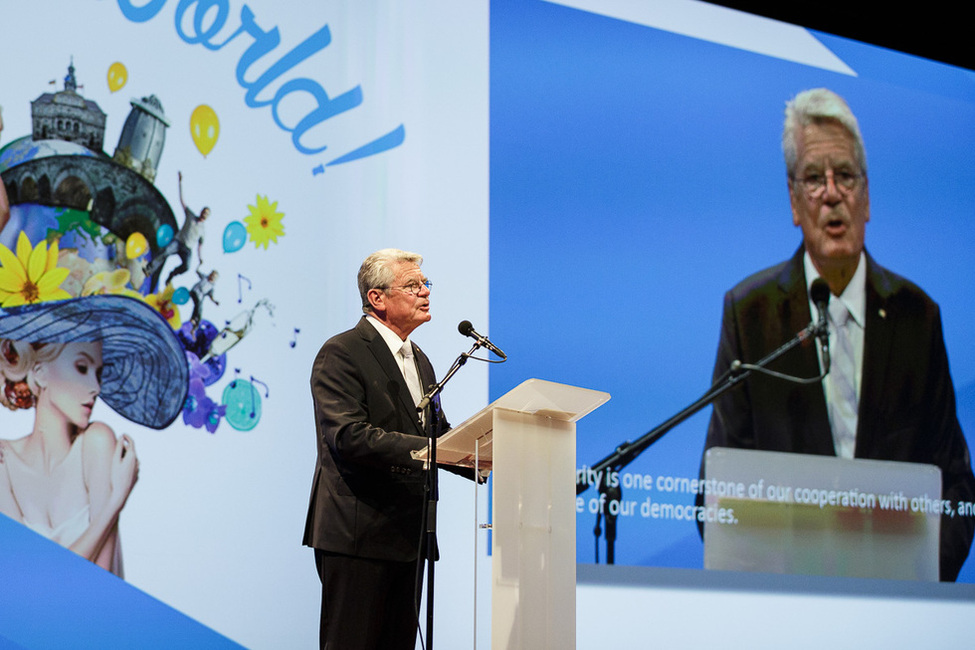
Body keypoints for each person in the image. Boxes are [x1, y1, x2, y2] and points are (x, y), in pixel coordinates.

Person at [701, 88, 975, 581]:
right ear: (793, 201)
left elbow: (955, 488)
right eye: (813, 178)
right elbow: (719, 490)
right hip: (785, 610)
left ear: (866, 197)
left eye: (845, 176)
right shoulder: (751, 315)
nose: (831, 193)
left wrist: (912, 585)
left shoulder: (918, 319)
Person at [303, 248, 453, 650]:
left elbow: (437, 433)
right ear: (377, 298)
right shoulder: (342, 352)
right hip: (357, 535)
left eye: (425, 284)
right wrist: (433, 449)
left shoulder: (419, 360)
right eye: (413, 285)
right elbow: (348, 435)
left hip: (409, 534)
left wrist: (483, 452)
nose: (425, 292)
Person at [0, 295, 188, 578]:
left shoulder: (97, 443)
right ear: (39, 373)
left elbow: (102, 584)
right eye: (82, 368)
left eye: (98, 373)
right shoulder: (4, 461)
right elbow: (27, 584)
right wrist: (115, 503)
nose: (96, 387)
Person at [144, 171, 208, 287]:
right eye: (203, 213)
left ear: (206, 217)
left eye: (206, 215)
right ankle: (149, 269)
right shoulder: (191, 215)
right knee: (165, 252)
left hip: (187, 248)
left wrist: (200, 258)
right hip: (178, 241)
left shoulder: (202, 230)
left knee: (187, 267)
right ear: (201, 212)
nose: (203, 215)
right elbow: (182, 201)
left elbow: (200, 246)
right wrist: (180, 183)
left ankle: (172, 274)